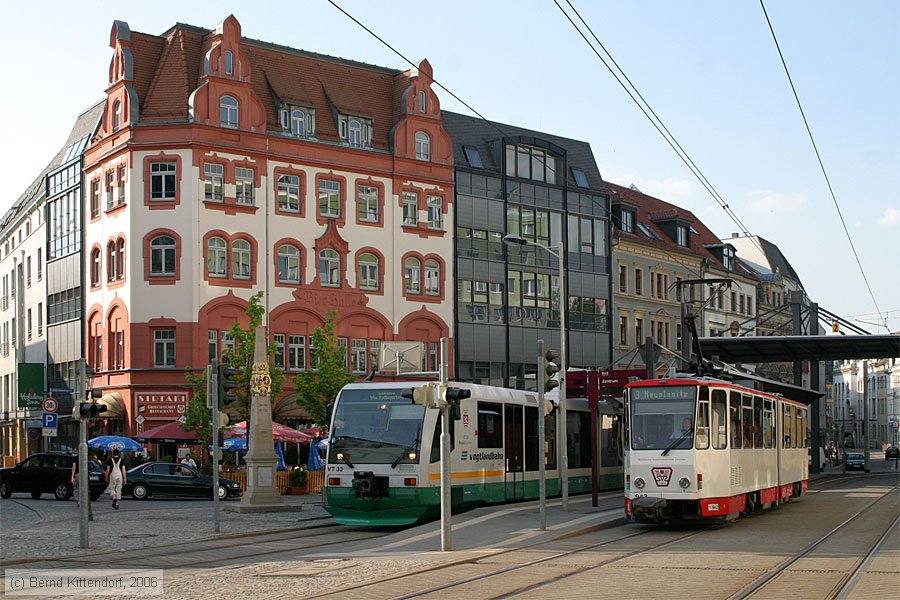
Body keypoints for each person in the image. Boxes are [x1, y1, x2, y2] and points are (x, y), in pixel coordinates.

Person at [70, 456, 94, 521]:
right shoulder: (87, 457)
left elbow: (74, 467)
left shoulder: (76, 458)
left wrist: (72, 476)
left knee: (76, 489)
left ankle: (79, 501)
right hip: (86, 475)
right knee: (86, 493)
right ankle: (89, 513)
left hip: (78, 475)